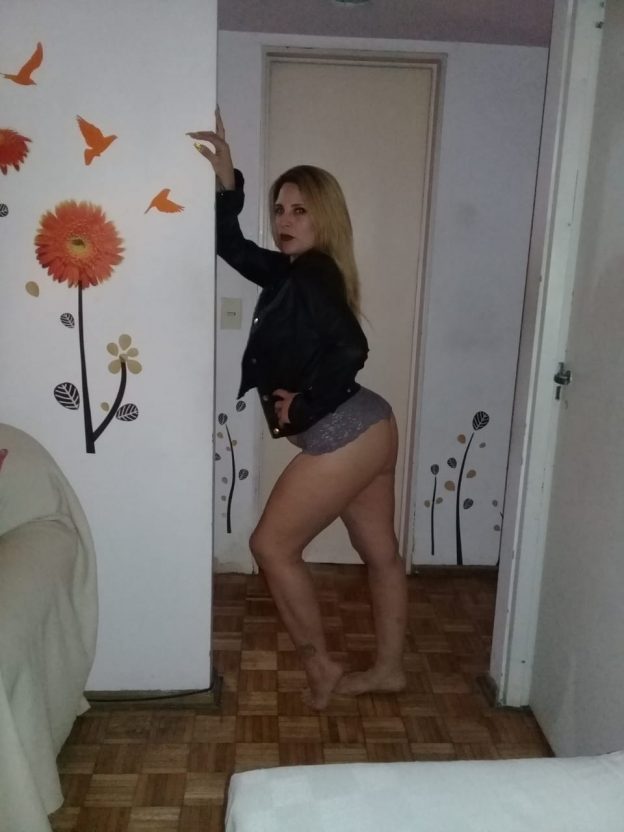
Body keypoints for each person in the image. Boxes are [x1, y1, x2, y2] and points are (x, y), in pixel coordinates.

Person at [188, 113, 407, 710]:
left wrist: (306, 403)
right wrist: (227, 182)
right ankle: (389, 670)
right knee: (382, 555)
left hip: (347, 432)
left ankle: (322, 667)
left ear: (324, 218)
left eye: (300, 211)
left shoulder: (311, 275)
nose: (284, 221)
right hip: (372, 426)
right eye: (280, 209)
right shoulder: (295, 270)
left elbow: (351, 349)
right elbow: (231, 247)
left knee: (271, 546)